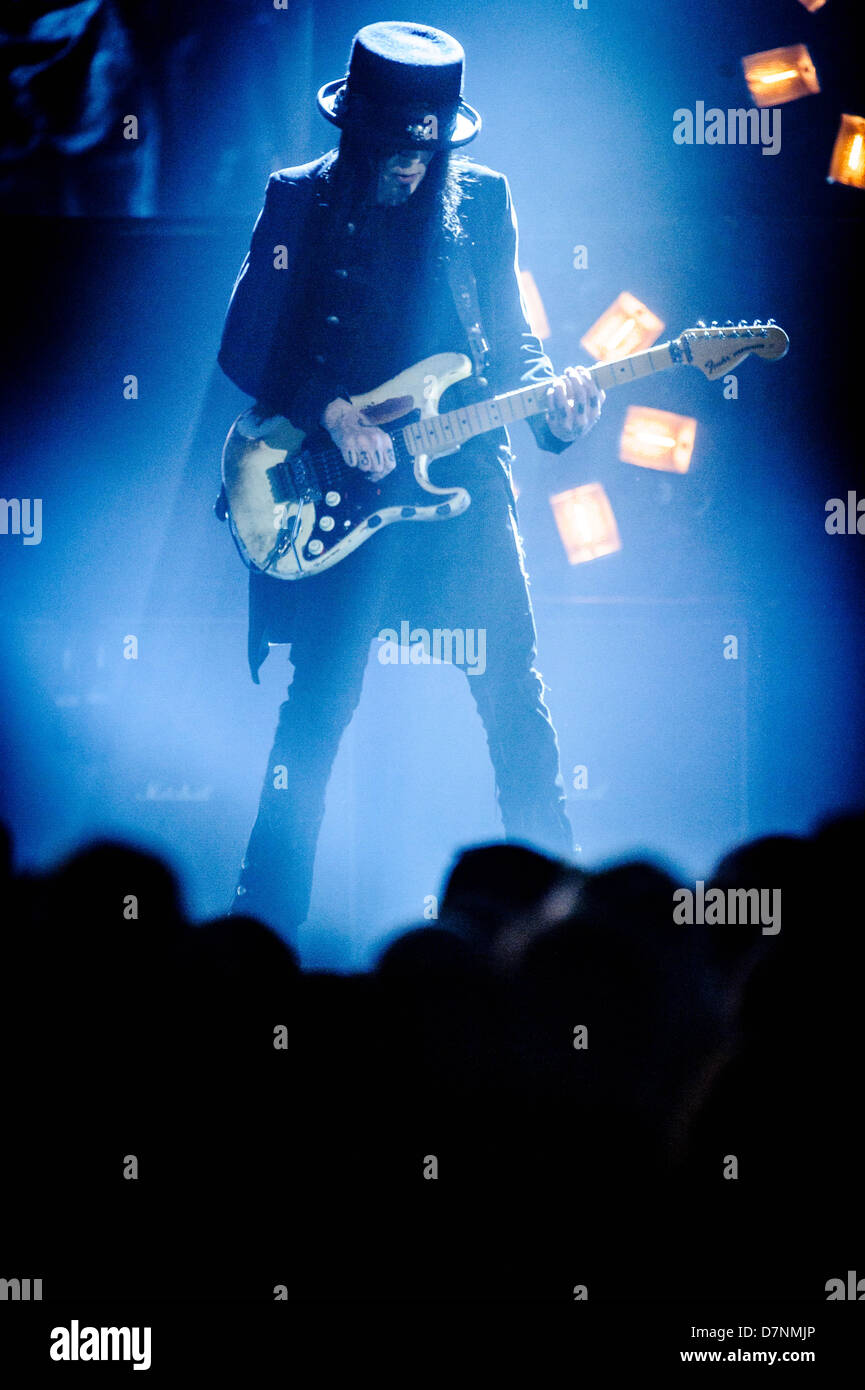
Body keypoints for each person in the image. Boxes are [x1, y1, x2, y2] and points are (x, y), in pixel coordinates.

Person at [217, 21, 604, 937]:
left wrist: (555, 411)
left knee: (516, 704)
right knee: (316, 712)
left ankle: (565, 936)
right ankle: (260, 934)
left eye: (425, 152)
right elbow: (243, 341)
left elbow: (512, 346)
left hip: (461, 490)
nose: (410, 170)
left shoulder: (485, 202)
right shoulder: (298, 204)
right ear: (354, 133)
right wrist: (331, 410)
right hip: (335, 496)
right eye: (392, 151)